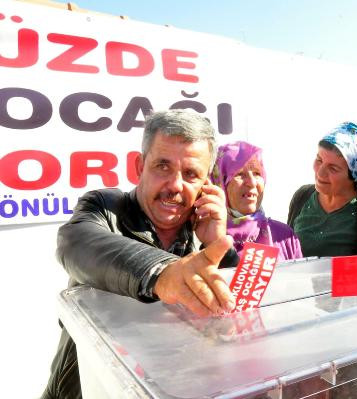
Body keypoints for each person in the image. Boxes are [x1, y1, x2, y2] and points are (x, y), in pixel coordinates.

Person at [43, 110, 239, 399]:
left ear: (205, 183)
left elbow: (235, 327)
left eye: (190, 174)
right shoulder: (106, 207)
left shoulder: (201, 233)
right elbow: (73, 242)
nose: (175, 185)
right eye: (163, 166)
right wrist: (163, 273)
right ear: (140, 166)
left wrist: (216, 245)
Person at [288, 121, 357, 256]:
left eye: (333, 168)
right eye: (319, 160)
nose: (320, 173)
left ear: (355, 175)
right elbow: (286, 252)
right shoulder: (302, 196)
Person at [211, 140, 303, 261]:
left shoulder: (284, 236)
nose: (252, 183)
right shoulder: (207, 237)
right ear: (221, 183)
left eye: (257, 173)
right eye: (239, 174)